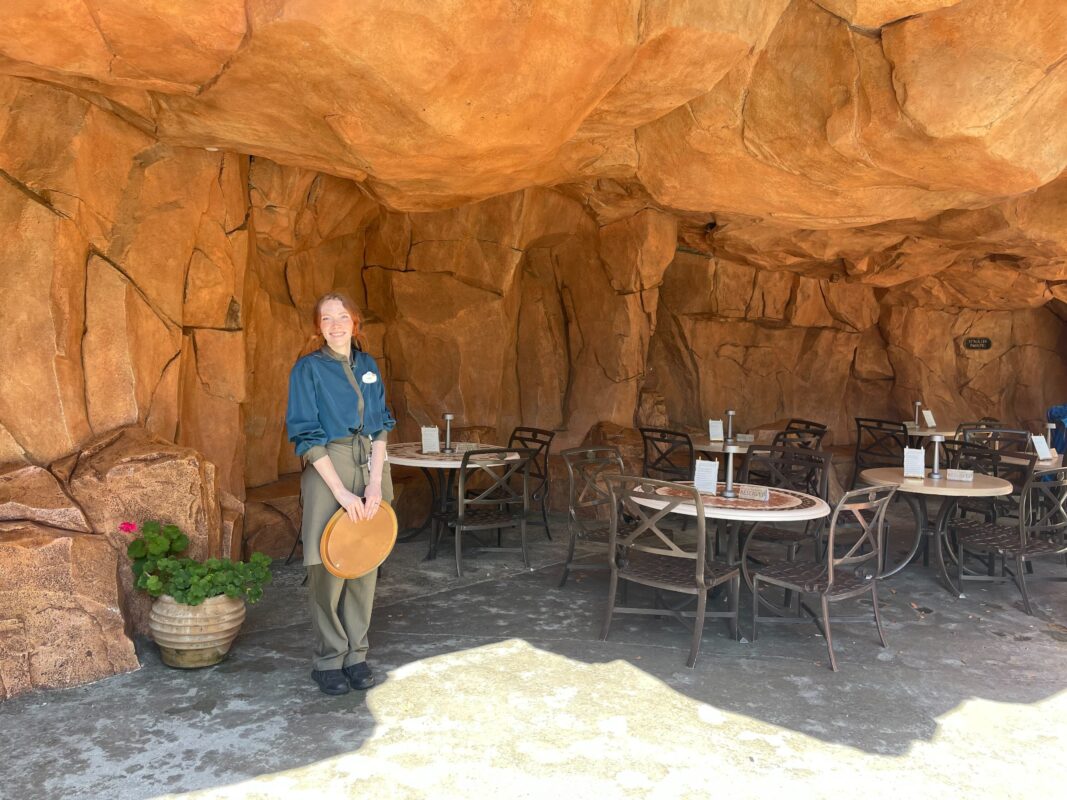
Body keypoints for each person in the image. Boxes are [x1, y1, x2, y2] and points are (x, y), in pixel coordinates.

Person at [285, 292, 395, 695]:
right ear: (318, 326)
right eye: (326, 318)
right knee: (327, 566)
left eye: (342, 317)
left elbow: (381, 425)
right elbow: (305, 432)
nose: (335, 325)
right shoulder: (307, 369)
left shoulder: (368, 365)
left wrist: (374, 482)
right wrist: (341, 493)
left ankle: (356, 655)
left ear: (355, 322)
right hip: (328, 463)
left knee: (365, 560)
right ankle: (329, 659)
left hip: (370, 464)